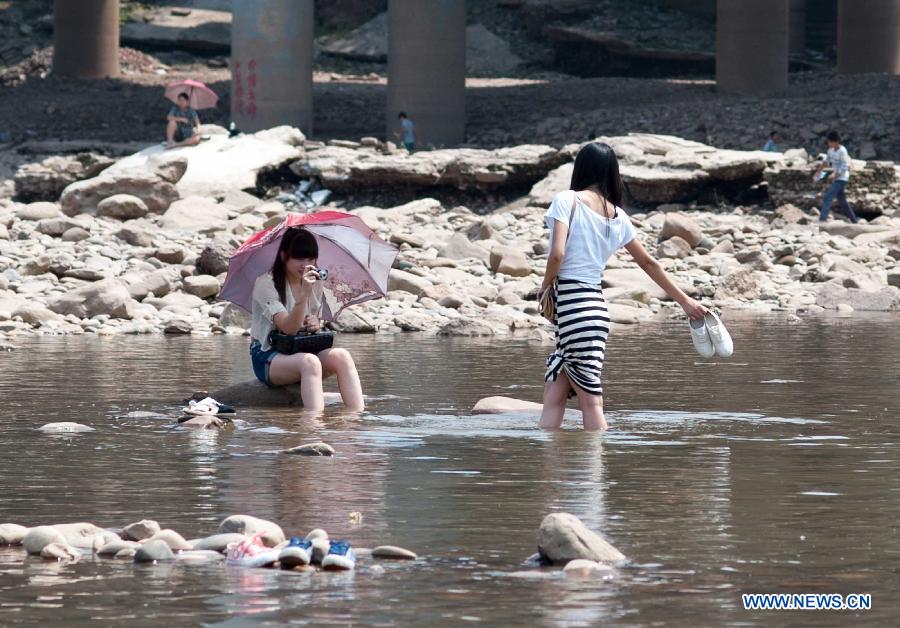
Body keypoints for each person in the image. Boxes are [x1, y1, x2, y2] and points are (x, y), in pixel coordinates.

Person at [538, 142, 708, 432]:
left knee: (591, 403)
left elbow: (557, 254)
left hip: (573, 307)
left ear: (581, 169)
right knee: (555, 393)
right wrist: (686, 302)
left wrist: (544, 288)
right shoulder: (617, 215)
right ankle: (550, 465)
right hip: (596, 308)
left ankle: (596, 470)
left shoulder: (566, 200)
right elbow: (649, 263)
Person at [249, 227, 364, 412]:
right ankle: (313, 427)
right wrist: (303, 295)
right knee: (309, 362)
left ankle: (357, 420)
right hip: (268, 355)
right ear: (284, 256)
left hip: (300, 349)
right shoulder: (266, 284)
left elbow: (311, 319)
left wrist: (315, 323)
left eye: (311, 259)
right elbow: (288, 328)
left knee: (342, 356)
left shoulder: (315, 280)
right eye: (299, 259)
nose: (306, 265)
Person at [813, 131, 859, 224]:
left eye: (830, 142)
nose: (829, 144)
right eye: (828, 142)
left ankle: (822, 219)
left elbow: (845, 166)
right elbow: (825, 162)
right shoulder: (830, 150)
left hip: (842, 178)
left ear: (836, 142)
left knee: (828, 197)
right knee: (842, 202)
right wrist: (818, 172)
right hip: (836, 178)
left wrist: (835, 175)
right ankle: (854, 221)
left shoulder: (842, 151)